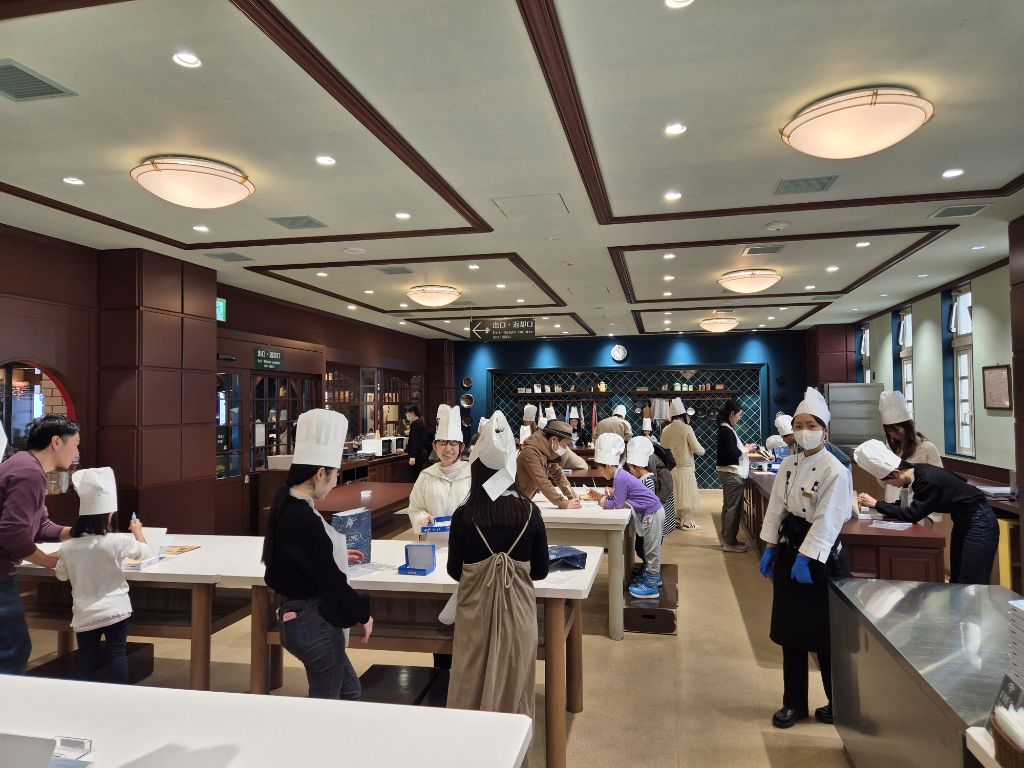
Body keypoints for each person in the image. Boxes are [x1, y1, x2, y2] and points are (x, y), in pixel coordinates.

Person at [447, 410, 549, 739]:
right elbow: (541, 571)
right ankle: (511, 748)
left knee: (468, 681)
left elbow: (454, 571)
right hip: (519, 618)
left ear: (476, 470)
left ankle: (467, 746)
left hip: (474, 617)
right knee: (517, 686)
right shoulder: (531, 512)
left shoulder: (464, 516)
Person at [758, 387, 853, 729]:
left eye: (811, 425)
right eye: (798, 426)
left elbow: (830, 519)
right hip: (789, 547)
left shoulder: (835, 469)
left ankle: (838, 704)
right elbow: (776, 507)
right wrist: (771, 545)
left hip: (820, 557)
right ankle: (794, 704)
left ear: (825, 431)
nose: (803, 432)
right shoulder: (788, 463)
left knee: (824, 636)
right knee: (790, 632)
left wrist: (807, 557)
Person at [263, 409, 373, 700]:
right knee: (326, 704)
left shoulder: (286, 502)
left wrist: (335, 553)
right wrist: (361, 612)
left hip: (296, 617)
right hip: (313, 623)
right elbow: (328, 579)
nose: (335, 483)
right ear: (321, 473)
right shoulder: (302, 517)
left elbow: (303, 559)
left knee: (349, 690)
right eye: (335, 475)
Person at [854, 439, 998, 584]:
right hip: (963, 519)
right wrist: (876, 505)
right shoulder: (916, 474)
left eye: (888, 481)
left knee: (971, 580)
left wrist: (876, 503)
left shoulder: (926, 479)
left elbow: (912, 514)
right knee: (957, 578)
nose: (890, 485)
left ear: (896, 473)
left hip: (979, 520)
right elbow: (904, 506)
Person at [54, 467, 149, 683]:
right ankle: (119, 695)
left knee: (86, 657)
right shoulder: (118, 541)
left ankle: (83, 696)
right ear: (109, 515)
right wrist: (138, 531)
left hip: (85, 613)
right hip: (116, 609)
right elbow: (144, 552)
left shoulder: (68, 548)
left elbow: (61, 575)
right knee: (116, 653)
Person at [0, 415, 76, 675]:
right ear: (56, 442)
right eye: (75, 444)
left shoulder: (24, 464)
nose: (77, 452)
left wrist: (74, 532)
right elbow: (12, 534)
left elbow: (40, 525)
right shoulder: (29, 473)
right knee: (12, 651)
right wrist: (48, 561)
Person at [406, 405, 471, 669]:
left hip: (467, 557)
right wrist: (423, 519)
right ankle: (442, 668)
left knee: (465, 617)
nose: (448, 449)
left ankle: (467, 670)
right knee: (438, 618)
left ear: (461, 447)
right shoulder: (426, 476)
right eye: (443, 443)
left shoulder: (473, 474)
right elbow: (415, 509)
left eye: (453, 443)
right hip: (433, 555)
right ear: (434, 445)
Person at [588, 434, 665, 598]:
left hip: (653, 513)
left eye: (600, 469)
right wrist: (604, 497)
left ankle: (651, 586)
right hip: (651, 512)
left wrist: (603, 501)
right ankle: (653, 577)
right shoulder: (621, 475)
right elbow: (620, 498)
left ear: (609, 466)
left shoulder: (620, 477)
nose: (600, 473)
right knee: (649, 548)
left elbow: (617, 503)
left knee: (651, 549)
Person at [878, 391, 943, 505]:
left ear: (907, 426)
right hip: (892, 500)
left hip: (919, 505)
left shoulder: (926, 448)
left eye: (897, 430)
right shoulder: (889, 448)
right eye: (890, 432)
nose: (894, 435)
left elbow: (939, 482)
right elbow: (884, 482)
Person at [717, 400, 756, 552]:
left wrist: (744, 448)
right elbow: (732, 453)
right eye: (739, 415)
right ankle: (729, 543)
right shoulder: (726, 430)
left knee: (728, 507)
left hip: (728, 473)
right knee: (732, 509)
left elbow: (732, 450)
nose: (739, 418)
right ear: (732, 414)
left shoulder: (725, 429)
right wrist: (746, 449)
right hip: (731, 474)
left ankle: (727, 540)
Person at [661, 398, 706, 532]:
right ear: (683, 415)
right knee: (687, 495)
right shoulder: (687, 428)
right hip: (685, 467)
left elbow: (662, 448)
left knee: (675, 494)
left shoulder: (665, 429)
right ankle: (686, 521)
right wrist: (703, 450)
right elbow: (698, 449)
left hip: (670, 468)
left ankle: (675, 518)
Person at [516, 419, 582, 509]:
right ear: (553, 439)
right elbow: (542, 481)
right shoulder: (531, 453)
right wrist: (563, 503)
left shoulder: (547, 452)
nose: (565, 448)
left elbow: (558, 475)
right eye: (564, 445)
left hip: (523, 501)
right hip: (513, 502)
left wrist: (572, 496)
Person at [403, 404, 429, 480]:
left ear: (413, 413)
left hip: (416, 456)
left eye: (407, 413)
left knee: (414, 478)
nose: (407, 415)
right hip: (420, 454)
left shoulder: (415, 423)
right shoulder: (421, 422)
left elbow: (415, 440)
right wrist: (405, 450)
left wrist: (412, 456)